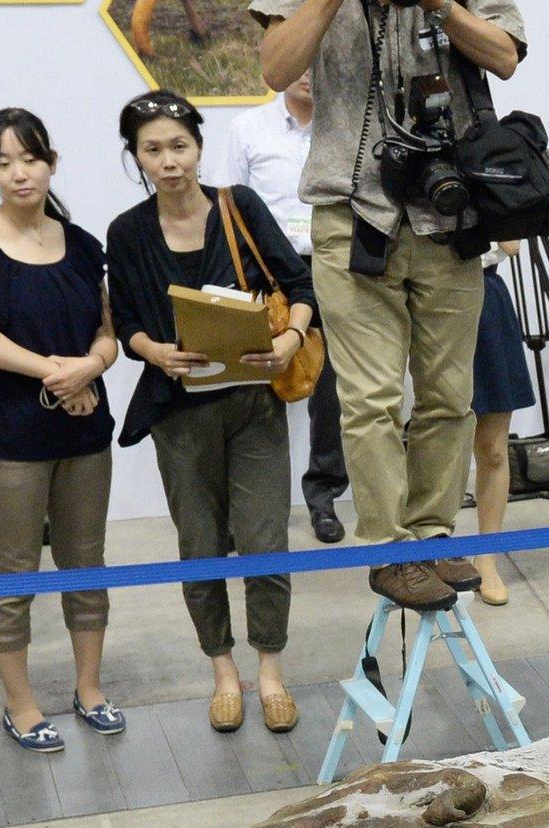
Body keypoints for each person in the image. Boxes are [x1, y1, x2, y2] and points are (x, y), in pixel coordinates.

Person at [252, 0, 525, 613]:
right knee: (371, 396)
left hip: (451, 212)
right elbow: (275, 68)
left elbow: (504, 56)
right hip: (351, 214)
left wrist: (441, 8)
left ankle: (430, 532)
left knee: (451, 395)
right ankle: (389, 548)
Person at [109, 91, 315, 736]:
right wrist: (153, 352)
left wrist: (289, 340)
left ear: (198, 147)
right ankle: (223, 673)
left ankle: (270, 674)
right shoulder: (128, 231)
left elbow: (300, 288)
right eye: (153, 149)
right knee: (198, 546)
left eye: (179, 146)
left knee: (264, 540)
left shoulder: (239, 207)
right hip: (179, 411)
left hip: (254, 402)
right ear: (135, 157)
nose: (169, 162)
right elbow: (129, 323)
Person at [0, 108, 122, 754]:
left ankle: (91, 690)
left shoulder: (81, 242)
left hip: (85, 429)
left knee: (86, 565)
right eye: (3, 161)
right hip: (8, 435)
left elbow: (108, 333)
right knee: (13, 572)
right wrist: (56, 374)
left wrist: (90, 367)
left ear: (51, 163)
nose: (19, 173)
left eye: (30, 159)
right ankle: (20, 704)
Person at [210, 73, 350, 543]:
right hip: (266, 274)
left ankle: (325, 497)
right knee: (253, 386)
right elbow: (225, 206)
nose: (310, 73)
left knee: (329, 390)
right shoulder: (247, 129)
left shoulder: (346, 124)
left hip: (334, 264)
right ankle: (241, 508)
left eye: (319, 61)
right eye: (300, 61)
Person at [469, 240, 536, 606]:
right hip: (425, 293)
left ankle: (487, 557)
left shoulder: (492, 176)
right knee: (434, 446)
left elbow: (512, 244)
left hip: (484, 291)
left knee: (494, 449)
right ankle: (431, 551)